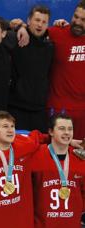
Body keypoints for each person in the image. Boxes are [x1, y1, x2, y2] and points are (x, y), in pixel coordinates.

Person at [8, 5, 54, 132]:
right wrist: (20, 27)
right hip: (16, 108)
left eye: (44, 22)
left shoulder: (50, 46)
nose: (40, 25)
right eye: (37, 20)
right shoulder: (17, 38)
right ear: (28, 21)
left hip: (39, 110)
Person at [45, 1, 85, 139]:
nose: (78, 22)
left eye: (83, 19)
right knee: (54, 154)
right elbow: (33, 32)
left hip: (83, 112)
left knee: (80, 156)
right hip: (58, 109)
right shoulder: (58, 32)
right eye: (76, 16)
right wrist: (19, 27)